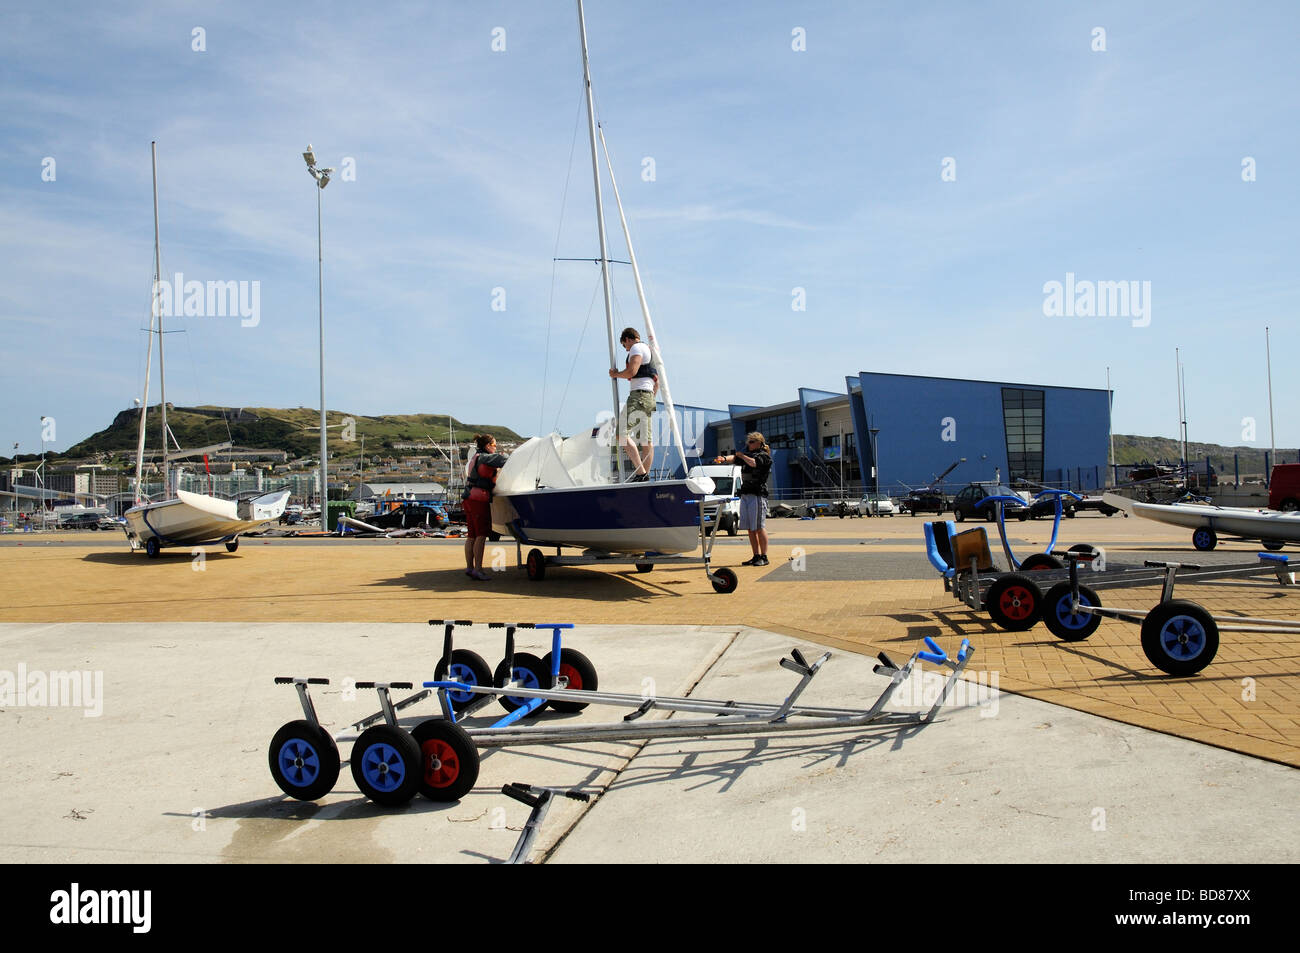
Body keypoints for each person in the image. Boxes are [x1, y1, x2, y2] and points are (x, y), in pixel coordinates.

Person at [714, 432, 772, 566]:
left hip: (757, 495)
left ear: (759, 443)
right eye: (748, 442)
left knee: (758, 527)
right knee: (750, 529)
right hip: (746, 495)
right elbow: (733, 458)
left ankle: (764, 556)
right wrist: (723, 458)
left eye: (752, 442)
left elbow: (754, 464)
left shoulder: (763, 457)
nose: (749, 444)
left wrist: (742, 456)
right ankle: (756, 555)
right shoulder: (748, 456)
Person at [608, 327, 657, 482]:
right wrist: (650, 399)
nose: (626, 349)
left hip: (639, 396)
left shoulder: (636, 348)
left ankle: (641, 473)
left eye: (624, 345)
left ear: (628, 339)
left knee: (620, 434)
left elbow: (632, 372)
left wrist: (615, 374)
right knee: (646, 441)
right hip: (649, 397)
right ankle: (645, 476)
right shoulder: (650, 351)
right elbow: (657, 381)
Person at [462, 433, 508, 581]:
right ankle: (478, 569)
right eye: (494, 445)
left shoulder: (474, 458)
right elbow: (504, 460)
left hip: (468, 498)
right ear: (488, 446)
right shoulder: (485, 457)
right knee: (481, 535)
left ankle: (470, 568)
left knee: (471, 536)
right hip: (478, 499)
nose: (495, 448)